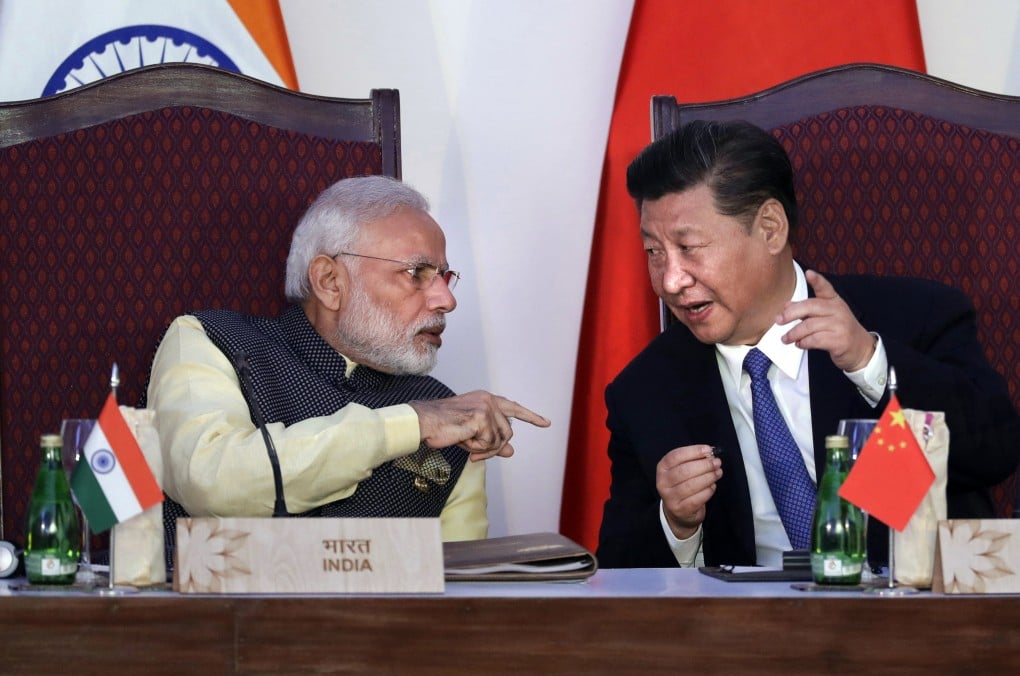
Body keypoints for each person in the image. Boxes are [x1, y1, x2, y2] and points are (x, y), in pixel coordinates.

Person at [596, 120, 1020, 569]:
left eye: (689, 247)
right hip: (745, 615)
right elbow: (618, 576)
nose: (670, 281)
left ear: (770, 228)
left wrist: (869, 362)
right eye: (654, 252)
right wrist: (676, 523)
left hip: (909, 605)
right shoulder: (645, 391)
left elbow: (996, 453)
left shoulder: (914, 318)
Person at [147, 175, 550, 557]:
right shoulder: (211, 339)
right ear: (329, 282)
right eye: (417, 274)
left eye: (444, 277)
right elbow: (211, 482)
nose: (447, 300)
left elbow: (459, 587)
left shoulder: (448, 412)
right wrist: (410, 425)